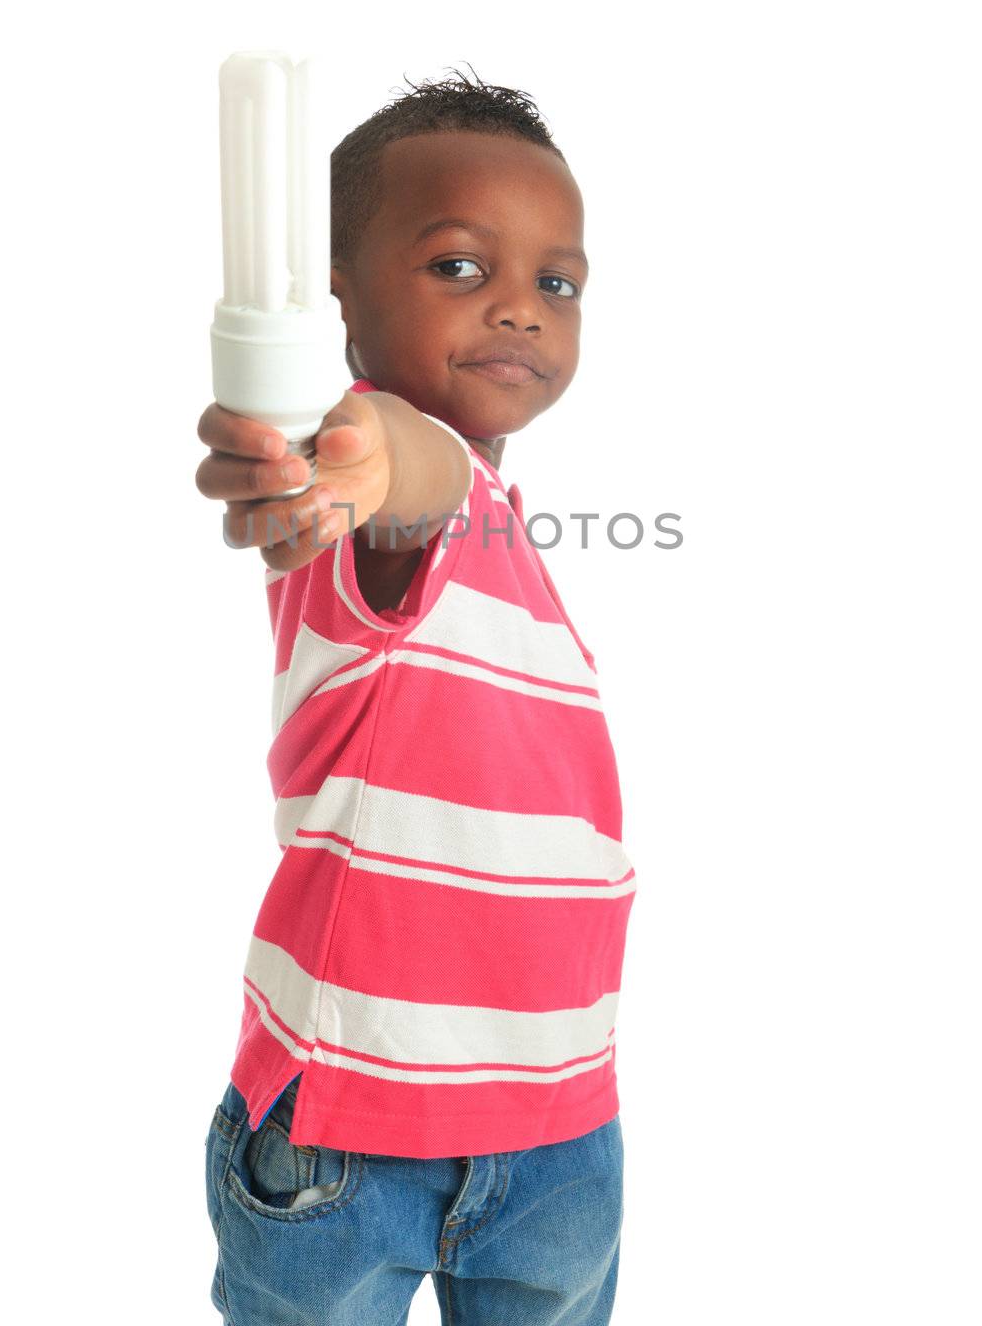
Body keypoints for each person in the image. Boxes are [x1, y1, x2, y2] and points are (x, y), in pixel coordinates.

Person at [195, 66, 636, 1324]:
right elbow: (405, 465)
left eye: (555, 281)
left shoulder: (500, 534)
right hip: (355, 1134)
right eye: (456, 266)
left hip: (558, 1126)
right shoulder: (382, 491)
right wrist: (356, 457)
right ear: (336, 294)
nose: (519, 308)